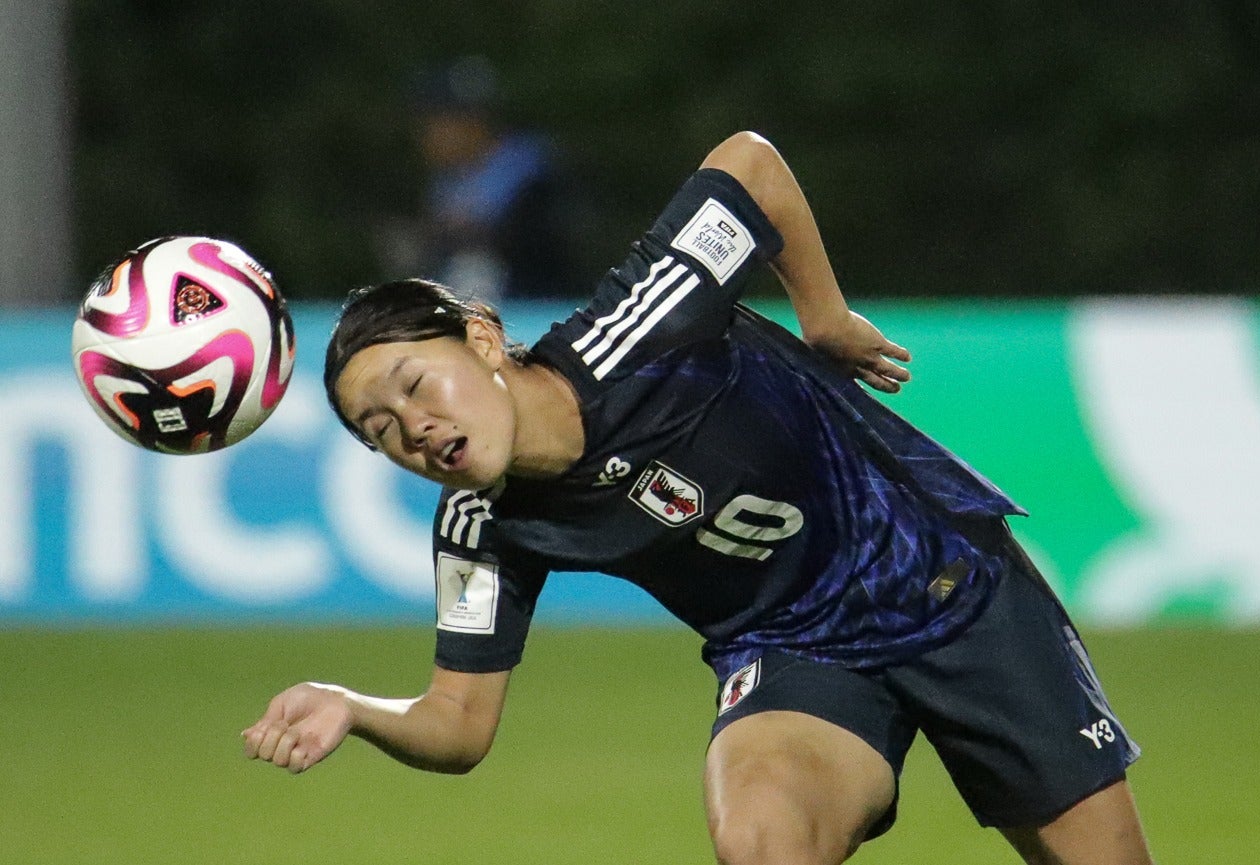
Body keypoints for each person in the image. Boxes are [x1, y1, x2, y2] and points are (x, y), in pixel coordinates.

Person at [243, 131, 1155, 865]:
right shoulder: (483, 525)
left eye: (413, 384)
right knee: (760, 837)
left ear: (481, 337)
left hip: (947, 586)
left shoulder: (638, 329)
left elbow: (751, 164)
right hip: (795, 653)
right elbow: (458, 723)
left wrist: (824, 314)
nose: (413, 427)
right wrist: (351, 704)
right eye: (379, 429)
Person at [382, 56, 578, 302]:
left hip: (536, 310)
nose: (427, 135)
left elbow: (533, 247)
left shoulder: (532, 168)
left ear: (474, 122)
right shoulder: (448, 179)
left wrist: (445, 238)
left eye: (438, 121)